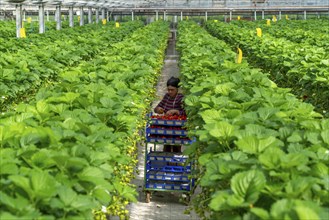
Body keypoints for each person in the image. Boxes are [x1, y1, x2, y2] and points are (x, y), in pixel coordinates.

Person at [154, 77, 185, 153]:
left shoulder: (181, 98)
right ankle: (167, 163)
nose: (170, 92)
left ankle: (176, 163)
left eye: (172, 90)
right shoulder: (166, 96)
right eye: (168, 89)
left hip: (177, 128)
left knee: (176, 148)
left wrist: (176, 111)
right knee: (166, 147)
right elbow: (156, 108)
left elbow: (185, 112)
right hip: (166, 128)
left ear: (177, 89)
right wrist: (158, 109)